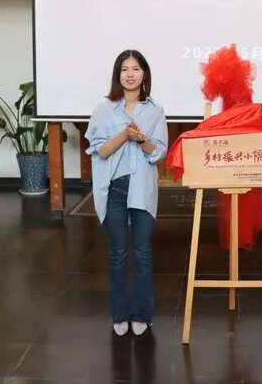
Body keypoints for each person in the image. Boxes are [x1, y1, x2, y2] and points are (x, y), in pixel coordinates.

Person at [85, 49, 168, 337]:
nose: (130, 74)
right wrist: (124, 135)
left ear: (144, 74)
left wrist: (142, 139)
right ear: (117, 75)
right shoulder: (104, 108)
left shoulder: (155, 110)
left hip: (142, 188)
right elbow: (100, 151)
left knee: (143, 254)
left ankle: (142, 315)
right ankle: (120, 314)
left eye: (135, 69)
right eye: (124, 69)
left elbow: (158, 153)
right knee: (118, 253)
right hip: (115, 188)